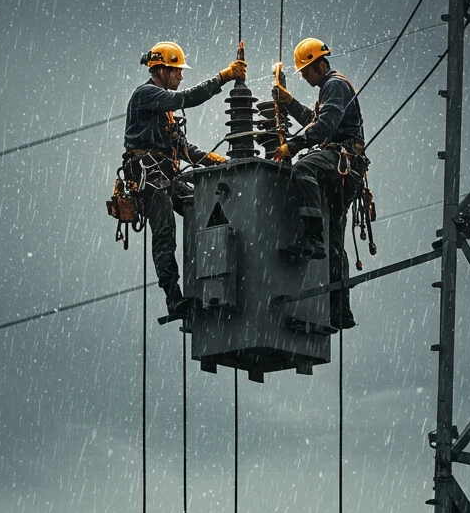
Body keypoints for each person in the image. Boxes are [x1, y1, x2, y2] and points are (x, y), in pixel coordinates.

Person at [123, 40, 247, 318]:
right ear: (161, 70)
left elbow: (183, 149)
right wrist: (223, 77)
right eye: (176, 71)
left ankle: (210, 276)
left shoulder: (163, 108)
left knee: (200, 204)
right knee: (165, 233)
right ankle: (174, 297)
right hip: (150, 177)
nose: (180, 76)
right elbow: (186, 99)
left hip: (164, 175)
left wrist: (212, 161)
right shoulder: (147, 94)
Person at [272, 38, 365, 331]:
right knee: (336, 240)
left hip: (342, 162)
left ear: (320, 65)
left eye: (306, 72)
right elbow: (317, 120)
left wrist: (293, 146)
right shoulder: (329, 89)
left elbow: (324, 128)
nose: (304, 77)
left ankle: (313, 237)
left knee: (303, 168)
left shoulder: (334, 85)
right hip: (345, 171)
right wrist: (288, 102)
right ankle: (340, 309)